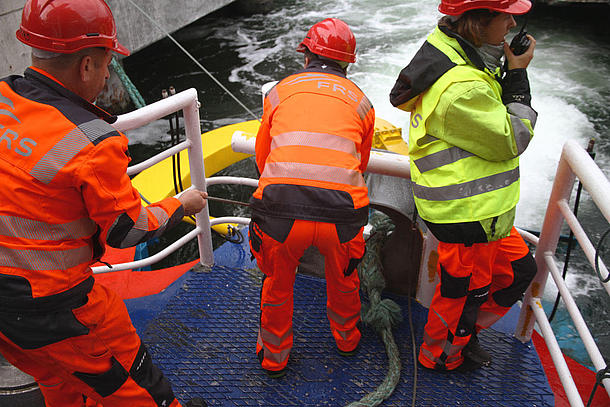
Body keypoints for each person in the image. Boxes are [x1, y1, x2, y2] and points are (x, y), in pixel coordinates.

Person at [0, 0, 208, 406]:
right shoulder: (92, 142)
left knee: (59, 381)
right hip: (62, 310)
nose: (108, 74)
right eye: (107, 64)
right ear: (86, 67)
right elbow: (130, 229)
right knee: (142, 390)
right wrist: (180, 204)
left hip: (10, 316)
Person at [389, 0, 538, 371]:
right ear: (476, 21)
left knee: (519, 272)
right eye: (505, 15)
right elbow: (513, 137)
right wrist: (518, 77)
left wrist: (503, 66)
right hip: (468, 214)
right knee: (463, 292)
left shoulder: (453, 50)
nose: (511, 22)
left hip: (485, 213)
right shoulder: (461, 87)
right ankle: (441, 355)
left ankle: (465, 335)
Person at [248, 18, 375, 378]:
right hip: (342, 215)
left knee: (276, 282)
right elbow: (359, 164)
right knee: (345, 276)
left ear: (306, 55)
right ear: (347, 63)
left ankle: (274, 356)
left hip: (281, 212)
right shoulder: (362, 103)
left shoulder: (279, 92)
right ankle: (347, 339)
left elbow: (262, 159)